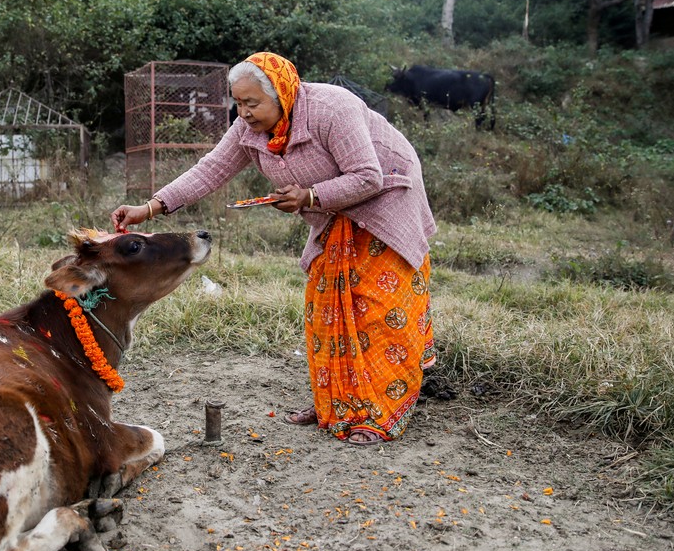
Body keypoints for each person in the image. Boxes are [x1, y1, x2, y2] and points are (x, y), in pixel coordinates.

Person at [111, 52, 437, 447]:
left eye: (252, 103)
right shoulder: (247, 130)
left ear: (282, 95)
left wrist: (311, 195)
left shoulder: (332, 107)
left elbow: (368, 176)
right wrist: (150, 208)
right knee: (326, 307)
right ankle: (335, 402)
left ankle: (381, 411)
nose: (243, 112)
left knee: (375, 308)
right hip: (335, 212)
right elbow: (210, 170)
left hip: (386, 198)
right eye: (238, 103)